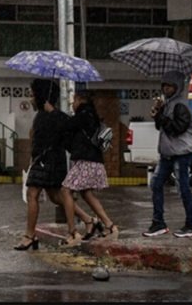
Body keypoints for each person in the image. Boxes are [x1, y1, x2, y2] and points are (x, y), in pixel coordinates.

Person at [16, 79, 90, 250]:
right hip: (45, 160)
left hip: (47, 161)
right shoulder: (41, 115)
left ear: (42, 96)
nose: (31, 99)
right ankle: (88, 219)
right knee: (56, 197)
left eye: (33, 95)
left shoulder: (55, 116)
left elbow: (68, 127)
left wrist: (53, 112)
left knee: (32, 194)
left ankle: (29, 235)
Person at [143, 71, 192, 238]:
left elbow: (177, 128)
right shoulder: (168, 104)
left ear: (178, 87)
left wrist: (161, 116)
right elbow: (160, 127)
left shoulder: (180, 105)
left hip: (181, 152)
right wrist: (158, 113)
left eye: (170, 86)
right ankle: (158, 223)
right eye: (164, 86)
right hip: (168, 152)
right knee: (156, 184)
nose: (166, 89)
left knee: (183, 187)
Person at [55, 90, 118, 241]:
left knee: (65, 190)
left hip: (86, 161)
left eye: (74, 100)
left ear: (80, 100)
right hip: (92, 160)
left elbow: (66, 126)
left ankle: (72, 232)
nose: (72, 104)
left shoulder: (84, 115)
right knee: (86, 193)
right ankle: (108, 226)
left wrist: (56, 115)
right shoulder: (91, 115)